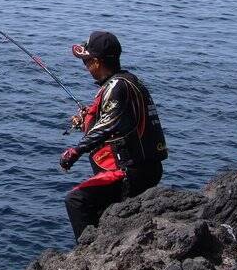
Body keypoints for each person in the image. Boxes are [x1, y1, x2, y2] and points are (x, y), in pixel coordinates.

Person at [59, 30, 168, 241]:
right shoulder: (130, 81)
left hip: (131, 172)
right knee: (100, 212)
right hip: (147, 168)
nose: (85, 66)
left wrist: (75, 151)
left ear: (97, 62)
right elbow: (118, 122)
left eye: (87, 60)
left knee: (76, 201)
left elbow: (107, 125)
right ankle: (102, 245)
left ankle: (88, 254)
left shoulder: (117, 87)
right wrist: (87, 120)